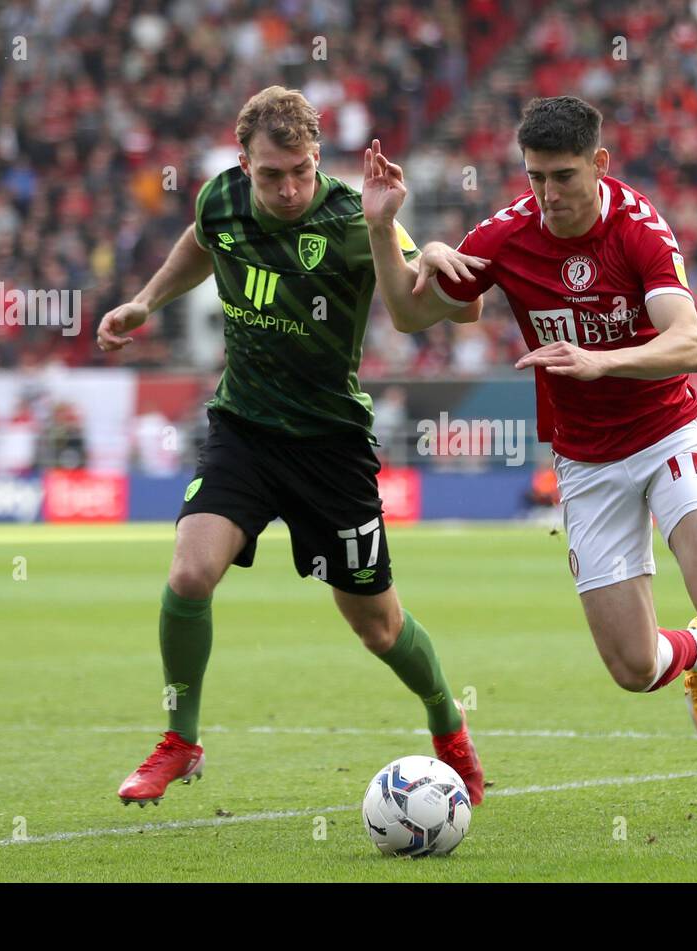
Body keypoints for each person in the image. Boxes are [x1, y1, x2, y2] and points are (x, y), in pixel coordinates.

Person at [364, 96, 697, 826]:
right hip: (583, 463)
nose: (549, 194)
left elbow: (691, 344)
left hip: (667, 434)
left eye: (563, 176)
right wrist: (389, 233)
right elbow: (410, 313)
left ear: (600, 165)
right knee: (634, 668)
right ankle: (695, 657)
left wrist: (600, 360)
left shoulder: (639, 228)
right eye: (535, 177)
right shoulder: (509, 233)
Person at [96, 86, 486, 807]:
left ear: (317, 159)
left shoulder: (351, 215)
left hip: (331, 446)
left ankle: (446, 721)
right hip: (243, 428)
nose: (287, 188)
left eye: (301, 170)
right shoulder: (221, 199)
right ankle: (181, 739)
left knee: (377, 626)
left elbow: (433, 312)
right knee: (188, 576)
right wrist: (147, 301)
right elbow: (201, 242)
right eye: (271, 175)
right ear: (244, 165)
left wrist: (427, 250)